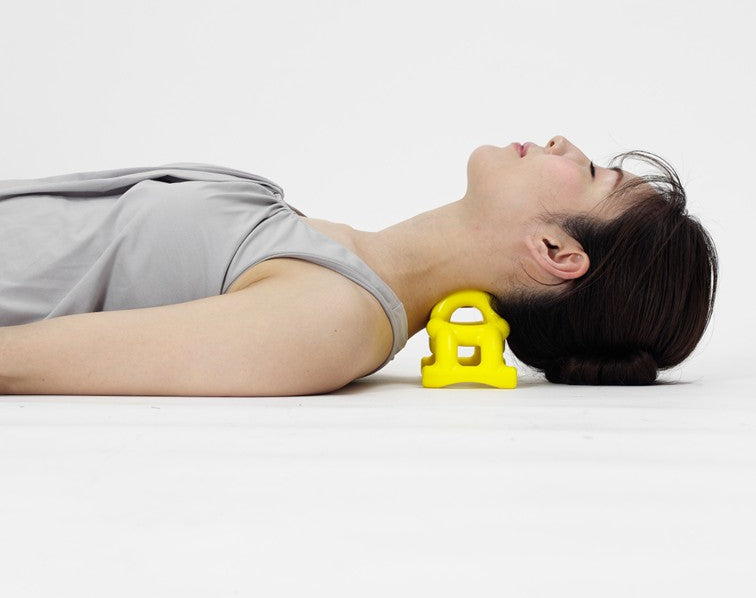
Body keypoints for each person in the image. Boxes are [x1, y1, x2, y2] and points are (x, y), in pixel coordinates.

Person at [0, 135, 717, 396]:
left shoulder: (332, 320)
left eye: (590, 172)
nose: (563, 142)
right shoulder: (324, 253)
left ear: (557, 253)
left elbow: (18, 362)